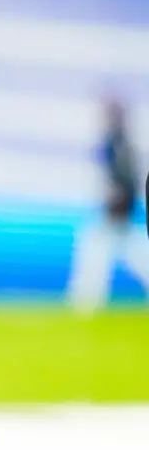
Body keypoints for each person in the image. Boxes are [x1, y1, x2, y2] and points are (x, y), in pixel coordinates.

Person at [68, 96, 148, 311]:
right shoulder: (118, 143)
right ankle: (84, 305)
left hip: (117, 216)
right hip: (116, 216)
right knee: (96, 259)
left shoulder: (119, 144)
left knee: (96, 259)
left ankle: (84, 306)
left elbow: (126, 183)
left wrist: (117, 200)